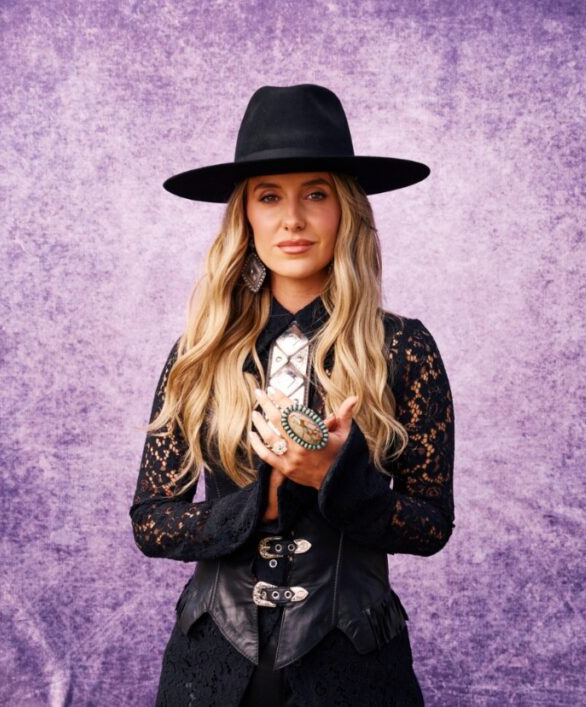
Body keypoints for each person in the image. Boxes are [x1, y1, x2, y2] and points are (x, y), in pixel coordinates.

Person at [129, 84, 456, 706]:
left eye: (316, 194)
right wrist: (260, 507)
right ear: (246, 215)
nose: (293, 219)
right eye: (269, 196)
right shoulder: (201, 352)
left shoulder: (403, 348)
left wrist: (337, 481)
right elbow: (151, 521)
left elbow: (431, 524)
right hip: (212, 668)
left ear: (345, 210)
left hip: (355, 666)